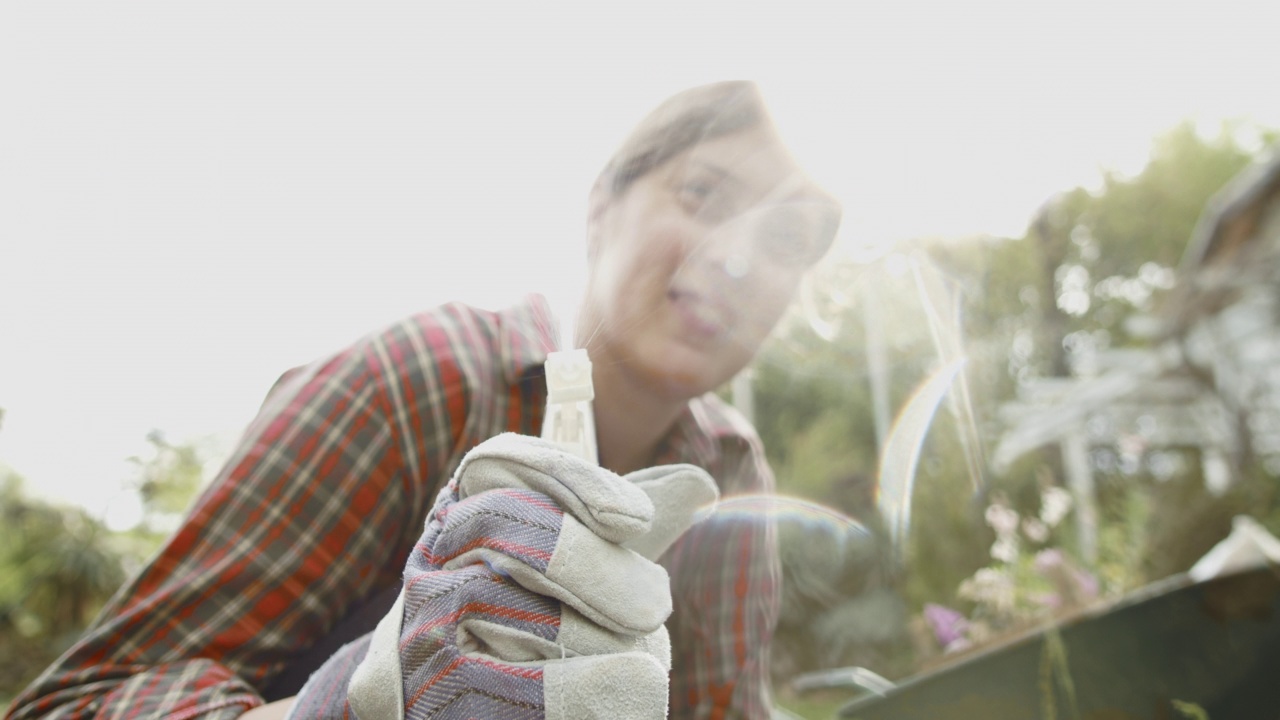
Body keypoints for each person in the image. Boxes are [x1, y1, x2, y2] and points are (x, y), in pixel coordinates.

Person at [8, 81, 841, 719]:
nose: (737, 258)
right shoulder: (421, 385)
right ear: (600, 211)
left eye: (784, 241)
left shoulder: (731, 476)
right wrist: (335, 708)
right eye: (704, 196)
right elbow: (83, 698)